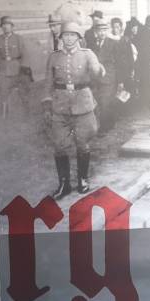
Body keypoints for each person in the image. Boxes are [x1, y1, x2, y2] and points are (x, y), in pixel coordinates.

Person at [42, 21, 105, 199]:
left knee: (82, 143)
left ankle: (82, 179)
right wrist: (46, 103)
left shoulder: (87, 54)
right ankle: (64, 184)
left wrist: (98, 69)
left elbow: (97, 73)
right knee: (59, 145)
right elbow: (48, 82)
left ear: (78, 37)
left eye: (72, 35)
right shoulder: (54, 57)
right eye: (66, 35)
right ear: (61, 37)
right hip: (60, 105)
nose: (69, 39)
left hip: (82, 104)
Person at [0, 16, 30, 118]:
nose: (5, 27)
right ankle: (4, 115)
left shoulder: (18, 38)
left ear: (12, 26)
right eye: (3, 25)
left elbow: (24, 54)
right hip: (4, 70)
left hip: (17, 69)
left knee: (22, 92)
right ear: (1, 27)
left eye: (8, 24)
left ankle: (26, 112)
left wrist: (23, 68)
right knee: (3, 92)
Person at [91, 22, 119, 134]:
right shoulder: (93, 44)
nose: (102, 33)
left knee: (104, 102)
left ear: (107, 31)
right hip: (97, 78)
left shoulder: (113, 43)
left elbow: (119, 62)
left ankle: (104, 127)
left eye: (104, 30)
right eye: (99, 30)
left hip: (109, 77)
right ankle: (111, 123)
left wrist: (119, 79)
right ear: (96, 32)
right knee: (102, 101)